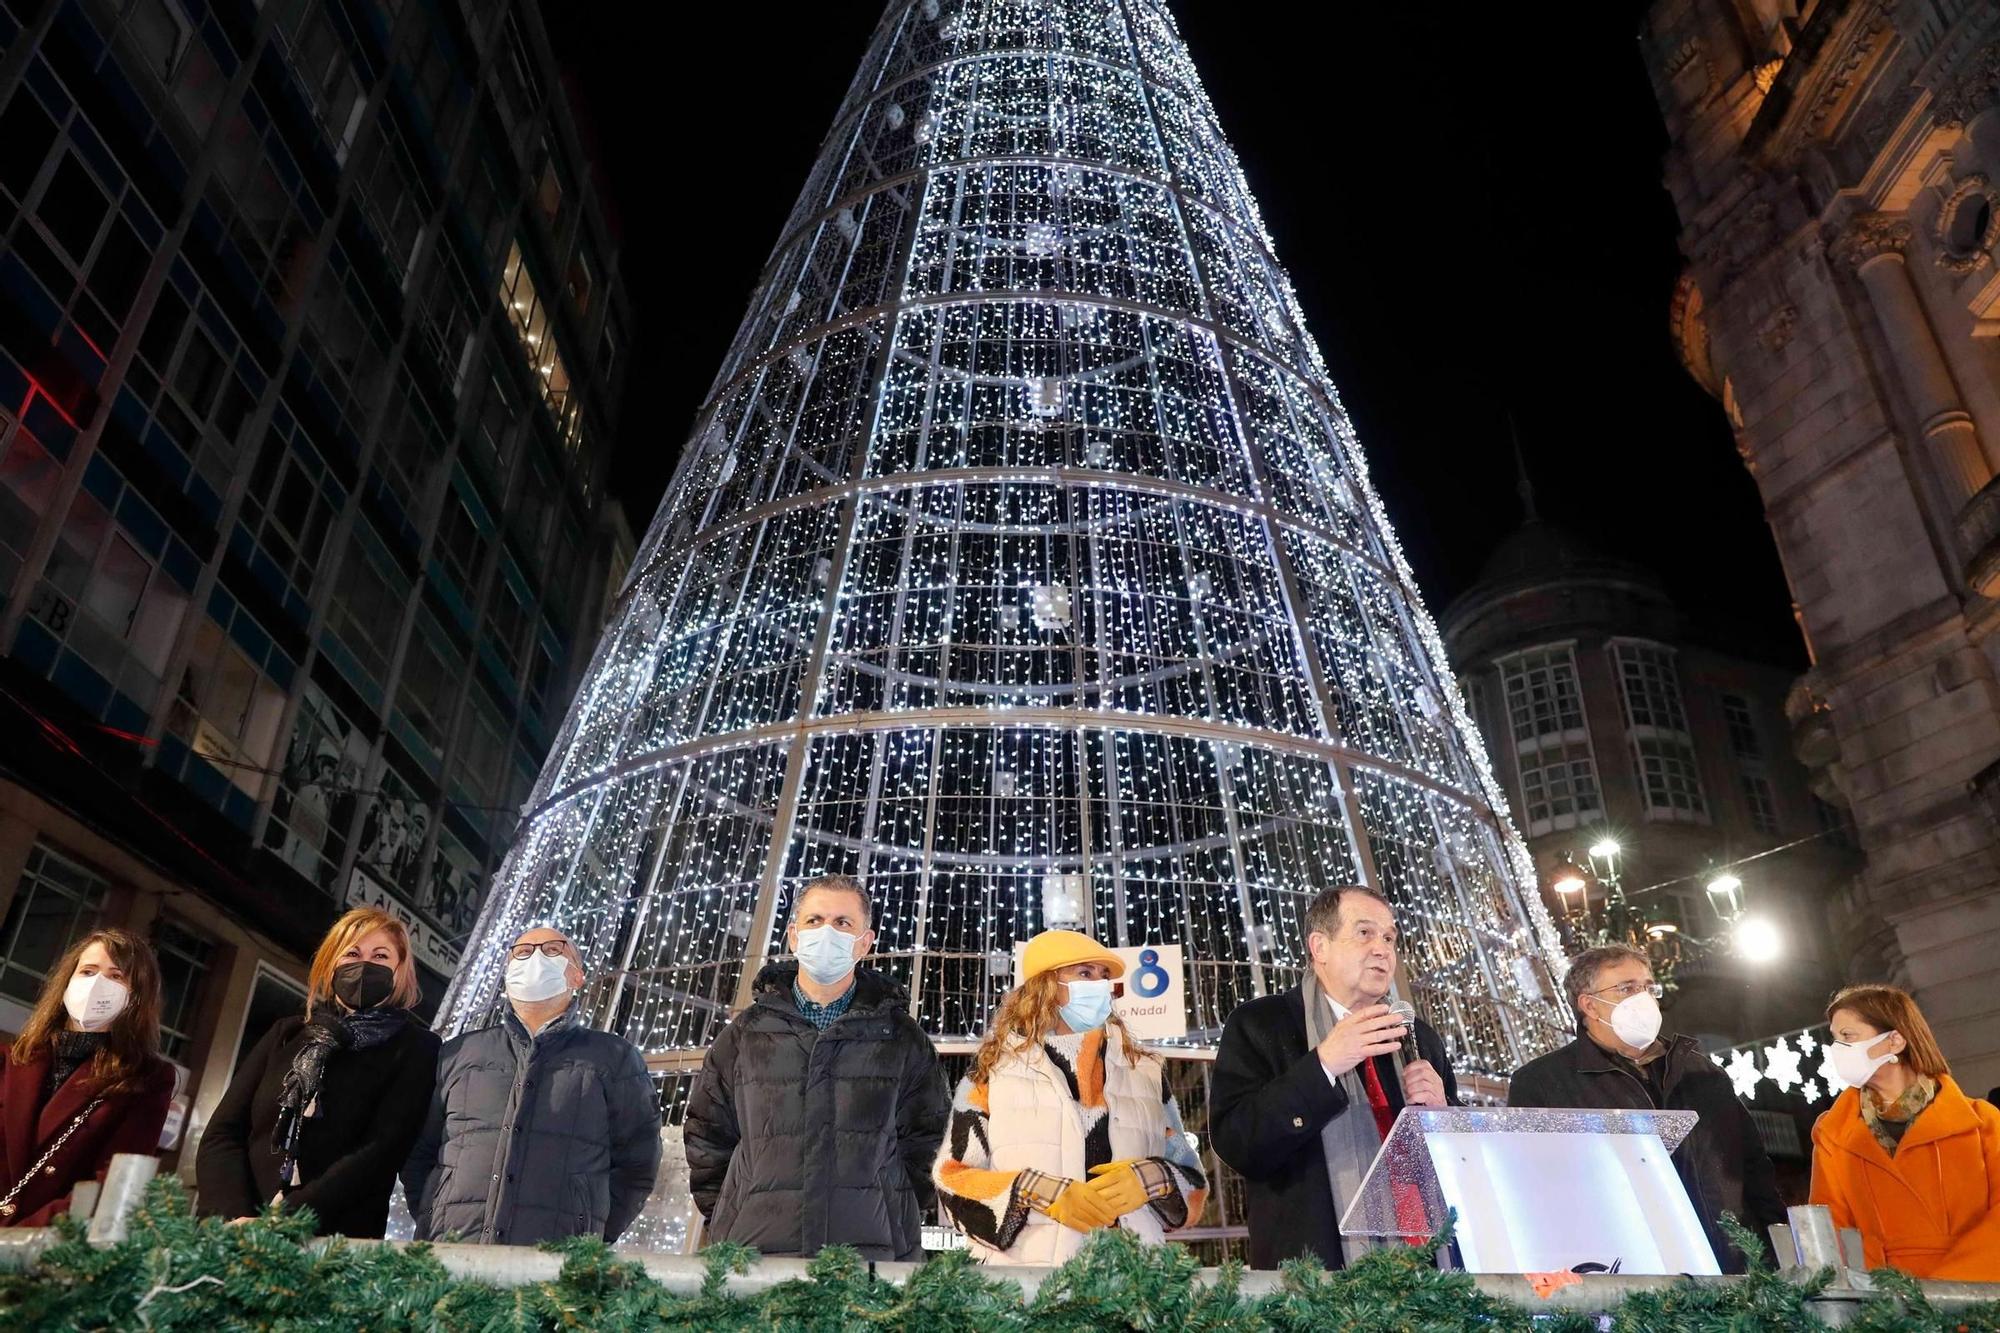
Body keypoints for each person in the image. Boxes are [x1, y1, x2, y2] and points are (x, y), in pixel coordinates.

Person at [685, 875, 948, 1259]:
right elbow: (709, 1138)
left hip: (872, 1258)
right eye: (814, 920)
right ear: (793, 936)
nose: (827, 932)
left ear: (865, 941)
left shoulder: (903, 1039)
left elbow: (929, 1144)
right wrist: (732, 1213)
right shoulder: (746, 1034)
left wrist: (893, 1208)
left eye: (843, 923)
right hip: (754, 1255)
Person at [1209, 886, 1455, 1269]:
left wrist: (1445, 1115)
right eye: (1364, 933)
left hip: (1426, 1271)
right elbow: (1239, 1144)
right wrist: (1322, 1065)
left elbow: (1462, 1166)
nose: (1382, 949)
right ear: (1319, 947)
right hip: (1317, 1281)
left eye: (1390, 937)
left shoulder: (1416, 1037)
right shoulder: (1261, 1025)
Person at [933, 928, 1207, 1264]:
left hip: (1137, 1282)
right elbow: (952, 1180)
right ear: (1046, 985)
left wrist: (1155, 1179)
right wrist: (1034, 1192)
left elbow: (1193, 1183)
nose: (1099, 984)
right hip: (1028, 1284)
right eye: (1085, 973)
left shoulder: (1146, 1073)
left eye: (1104, 976)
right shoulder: (992, 1072)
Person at [1506, 943, 1783, 1274]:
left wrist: (1776, 1259)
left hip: (1734, 1270)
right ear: (1589, 1005)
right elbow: (1538, 1195)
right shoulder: (1543, 1084)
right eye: (1627, 988)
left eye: (1649, 987)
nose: (1644, 998)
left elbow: (1754, 1173)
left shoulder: (1703, 1074)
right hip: (1626, 1280)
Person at [402, 924, 661, 1245]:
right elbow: (418, 1150)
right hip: (451, 1250)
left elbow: (638, 1163)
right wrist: (432, 1215)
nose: (535, 958)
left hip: (554, 1264)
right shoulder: (458, 1052)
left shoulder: (613, 1058)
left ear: (576, 976)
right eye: (523, 952)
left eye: (552, 950)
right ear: (509, 974)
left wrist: (588, 1236)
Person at [195, 907, 438, 1238]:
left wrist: (284, 1221)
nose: (364, 964)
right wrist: (234, 1215)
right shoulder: (287, 1033)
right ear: (331, 962)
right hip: (240, 1232)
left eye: (381, 955)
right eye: (352, 952)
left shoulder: (416, 1047)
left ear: (400, 971)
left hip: (334, 1238)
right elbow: (223, 1133)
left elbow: (380, 1151)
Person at [1809, 984, 2000, 1279]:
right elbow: (1830, 1230)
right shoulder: (1833, 1134)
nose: (1838, 1050)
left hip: (1974, 1301)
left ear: (1895, 1041)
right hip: (1885, 1307)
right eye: (1835, 1039)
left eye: (1848, 1037)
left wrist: (1953, 1286)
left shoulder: (1983, 1123)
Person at [0, 929, 174, 1225]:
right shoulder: (10, 1058)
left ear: (136, 997)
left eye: (116, 976)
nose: (96, 985)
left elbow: (112, 1188)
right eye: (88, 971)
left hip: (43, 1248)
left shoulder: (145, 1080)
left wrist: (17, 1239)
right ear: (67, 982)